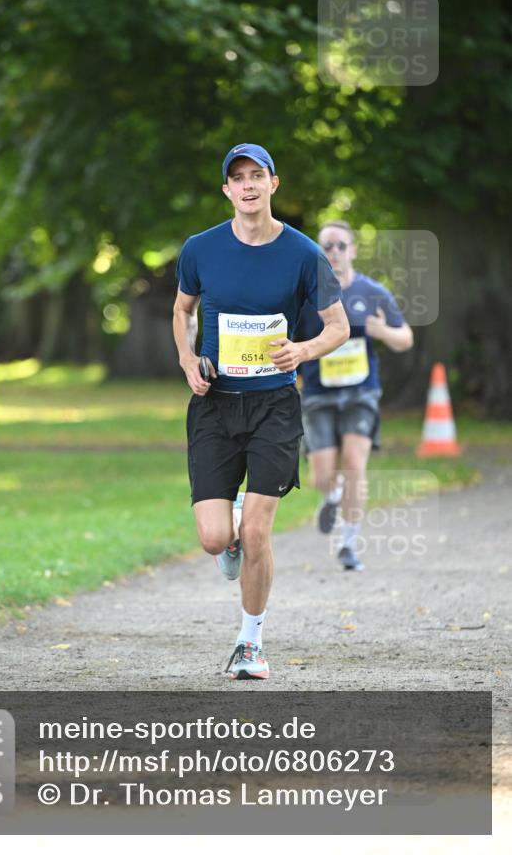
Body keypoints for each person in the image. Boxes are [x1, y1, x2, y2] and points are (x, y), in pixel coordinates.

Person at [172, 143, 350, 680]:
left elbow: (337, 327)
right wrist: (186, 359)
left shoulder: (302, 254)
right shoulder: (200, 249)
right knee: (213, 537)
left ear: (274, 184)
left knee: (256, 534)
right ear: (227, 190)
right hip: (214, 405)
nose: (248, 185)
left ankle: (250, 643)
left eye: (257, 175)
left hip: (274, 405)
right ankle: (227, 536)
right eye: (238, 178)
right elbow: (182, 310)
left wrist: (302, 350)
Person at [294, 219, 414, 571]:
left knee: (355, 464)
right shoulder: (305, 296)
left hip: (361, 392)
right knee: (322, 474)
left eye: (340, 246)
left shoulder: (372, 292)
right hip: (317, 393)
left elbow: (405, 338)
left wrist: (382, 330)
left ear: (353, 251)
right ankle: (331, 496)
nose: (333, 252)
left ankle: (348, 545)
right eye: (326, 247)